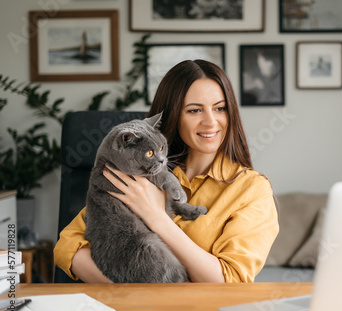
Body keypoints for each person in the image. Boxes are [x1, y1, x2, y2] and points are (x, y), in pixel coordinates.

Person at [54, 59, 279, 283]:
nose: (211, 122)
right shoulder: (138, 171)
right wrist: (126, 294)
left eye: (220, 108)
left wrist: (157, 217)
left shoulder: (252, 190)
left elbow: (230, 282)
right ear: (173, 116)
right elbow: (67, 246)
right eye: (194, 110)